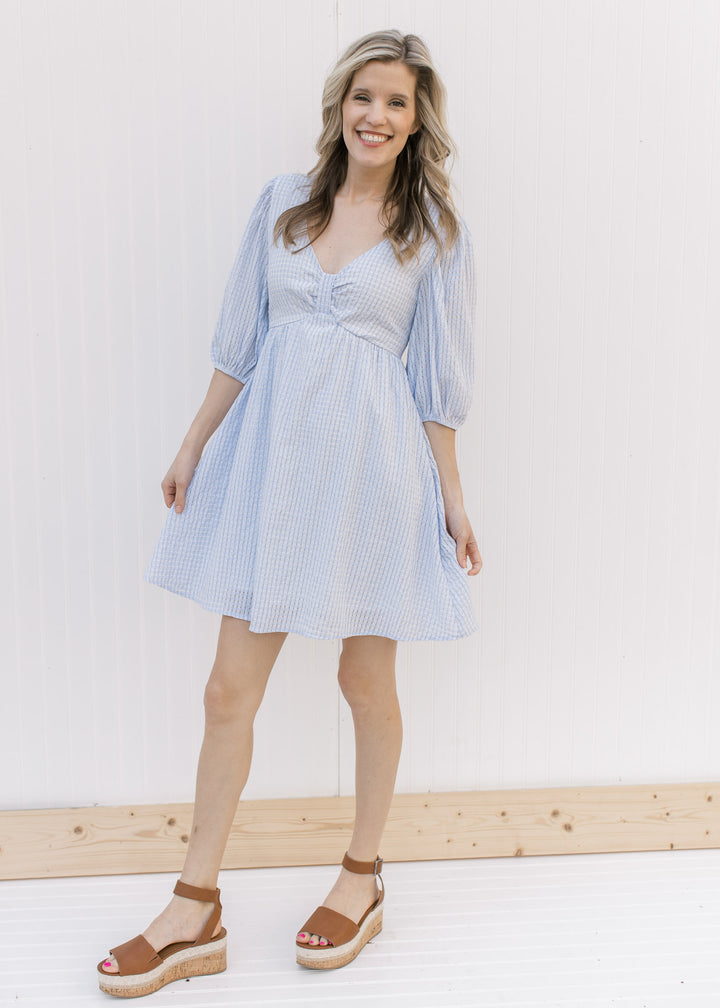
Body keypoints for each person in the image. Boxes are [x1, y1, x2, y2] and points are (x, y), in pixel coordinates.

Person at [97, 26, 483, 998]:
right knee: (228, 691)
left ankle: (361, 876)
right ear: (338, 107)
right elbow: (240, 339)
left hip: (372, 476)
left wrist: (454, 499)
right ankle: (196, 903)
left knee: (365, 681)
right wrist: (192, 444)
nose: (377, 115)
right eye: (364, 97)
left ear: (416, 120)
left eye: (397, 102)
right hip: (272, 471)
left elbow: (437, 384)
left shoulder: (432, 229)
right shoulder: (281, 204)